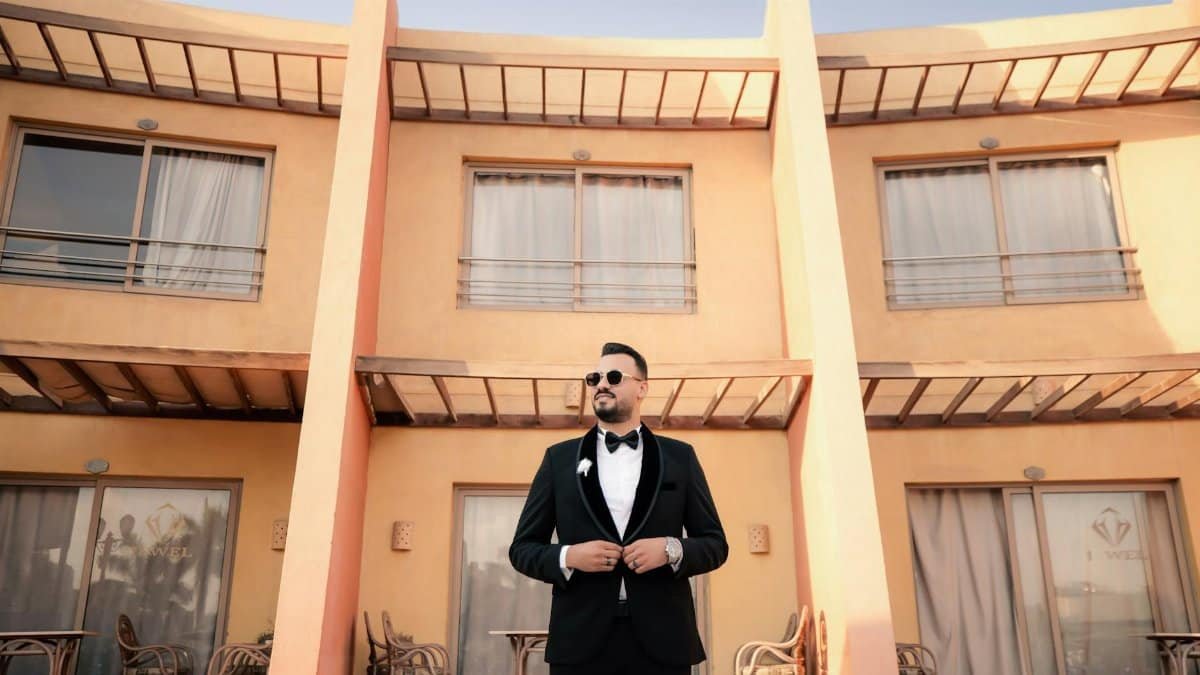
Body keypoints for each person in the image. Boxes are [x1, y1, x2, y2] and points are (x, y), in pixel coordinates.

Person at [509, 342, 728, 675]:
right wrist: (569, 557)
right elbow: (522, 549)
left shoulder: (680, 458)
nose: (601, 384)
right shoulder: (559, 460)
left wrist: (670, 549)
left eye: (613, 376)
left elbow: (715, 545)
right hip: (580, 643)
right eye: (594, 377)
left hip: (664, 643)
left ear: (642, 388)